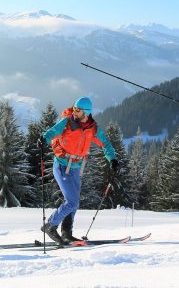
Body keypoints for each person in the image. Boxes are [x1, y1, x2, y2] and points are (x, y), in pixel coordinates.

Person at [38, 96, 119, 245]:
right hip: (62, 166)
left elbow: (106, 144)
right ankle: (50, 225)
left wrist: (112, 159)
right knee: (72, 202)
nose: (74, 111)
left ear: (86, 113)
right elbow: (52, 131)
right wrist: (44, 139)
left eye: (78, 110)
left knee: (73, 201)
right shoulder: (67, 122)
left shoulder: (92, 129)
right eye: (74, 108)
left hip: (76, 168)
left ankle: (66, 233)